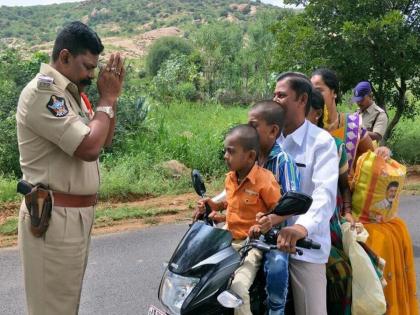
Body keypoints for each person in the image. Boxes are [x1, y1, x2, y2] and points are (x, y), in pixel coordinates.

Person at [16, 21, 125, 315]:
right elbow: (88, 148)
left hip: (73, 216)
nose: (92, 75)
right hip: (54, 216)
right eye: (87, 67)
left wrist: (108, 102)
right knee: (52, 308)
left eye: (94, 68)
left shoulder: (71, 93)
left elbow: (104, 139)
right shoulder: (45, 94)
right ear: (64, 57)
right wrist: (107, 98)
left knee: (66, 304)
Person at [197, 124, 282, 315]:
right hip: (227, 240)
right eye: (225, 150)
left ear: (251, 156)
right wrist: (214, 206)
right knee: (201, 276)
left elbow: (277, 210)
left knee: (237, 287)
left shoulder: (265, 181)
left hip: (252, 244)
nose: (226, 156)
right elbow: (233, 202)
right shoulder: (230, 178)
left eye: (231, 152)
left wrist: (263, 223)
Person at [273, 72, 339, 315]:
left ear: (301, 100)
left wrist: (301, 228)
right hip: (265, 241)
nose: (274, 100)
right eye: (273, 95)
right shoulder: (269, 138)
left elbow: (325, 194)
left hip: (304, 248)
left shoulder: (321, 142)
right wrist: (216, 204)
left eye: (281, 95)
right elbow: (247, 177)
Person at [248, 100, 301, 315]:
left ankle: (276, 310)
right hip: (247, 232)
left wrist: (273, 220)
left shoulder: (283, 161)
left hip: (274, 237)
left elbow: (293, 202)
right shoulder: (251, 159)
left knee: (277, 265)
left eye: (253, 126)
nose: (247, 130)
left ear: (272, 131)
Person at [308, 88, 353, 314]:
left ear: (315, 114)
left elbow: (343, 188)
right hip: (286, 224)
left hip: (325, 222)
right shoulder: (280, 144)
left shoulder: (333, 146)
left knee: (342, 272)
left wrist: (347, 212)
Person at [311, 69, 375, 180]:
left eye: (318, 90)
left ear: (334, 92)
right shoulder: (307, 126)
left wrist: (383, 151)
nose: (313, 96)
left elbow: (372, 159)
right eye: (310, 91)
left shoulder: (353, 125)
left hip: (347, 194)